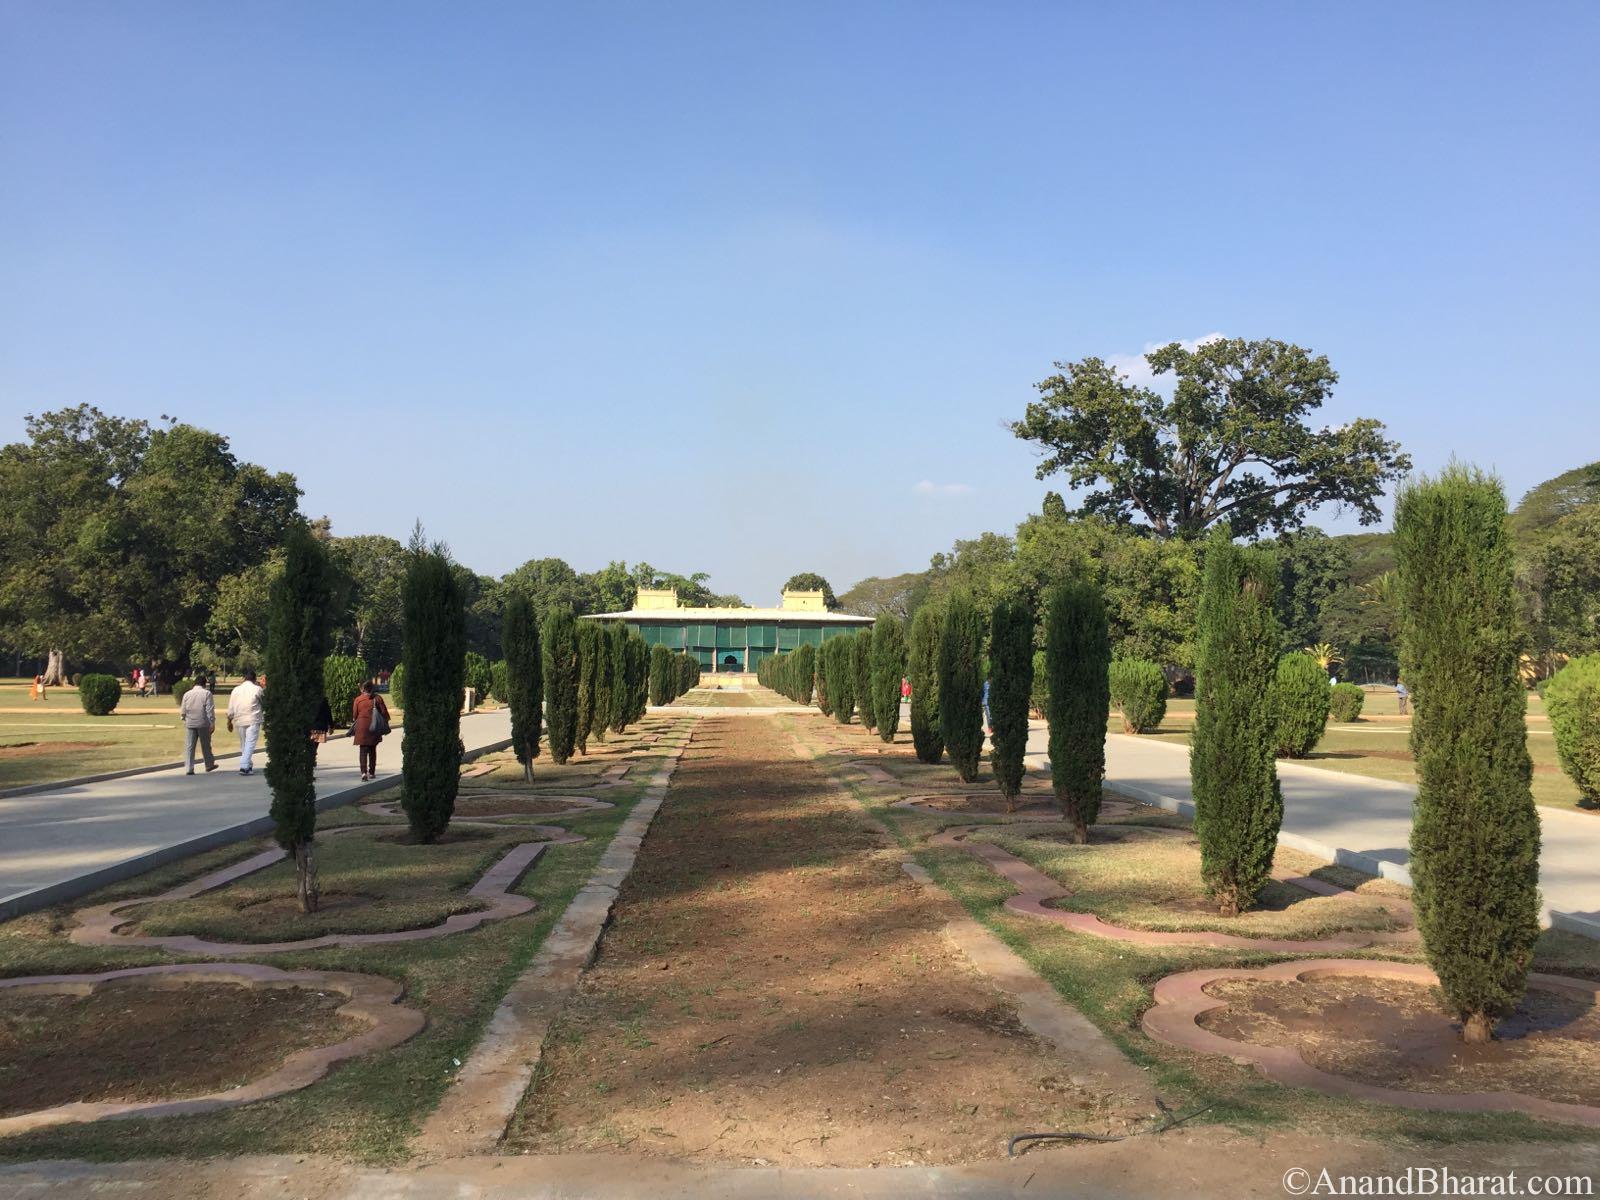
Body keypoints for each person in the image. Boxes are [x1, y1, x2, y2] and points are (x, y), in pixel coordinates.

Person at [226, 670, 265, 775]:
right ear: (254, 679)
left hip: (239, 719)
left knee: (244, 744)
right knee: (250, 744)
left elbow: (231, 707)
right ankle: (244, 767)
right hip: (253, 719)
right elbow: (264, 703)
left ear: (244, 678)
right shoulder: (257, 689)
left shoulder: (236, 690)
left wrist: (229, 721)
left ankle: (248, 765)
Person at [352, 680, 391, 781]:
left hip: (361, 727)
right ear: (372, 688)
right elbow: (384, 713)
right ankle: (372, 772)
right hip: (374, 727)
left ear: (363, 689)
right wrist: (385, 722)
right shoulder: (377, 698)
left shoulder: (358, 699)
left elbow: (355, 715)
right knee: (372, 750)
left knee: (363, 751)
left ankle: (363, 773)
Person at [180, 675, 218, 774]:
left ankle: (189, 768)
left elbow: (183, 710)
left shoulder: (187, 694)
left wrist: (184, 719)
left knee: (189, 746)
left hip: (190, 723)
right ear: (204, 684)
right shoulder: (207, 693)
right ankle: (209, 764)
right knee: (206, 745)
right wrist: (212, 722)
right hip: (203, 723)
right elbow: (209, 710)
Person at [309, 695, 333, 772]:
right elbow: (328, 712)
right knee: (314, 745)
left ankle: (311, 759)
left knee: (312, 745)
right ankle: (311, 759)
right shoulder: (323, 699)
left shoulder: (308, 697)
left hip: (311, 725)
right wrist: (331, 725)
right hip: (320, 726)